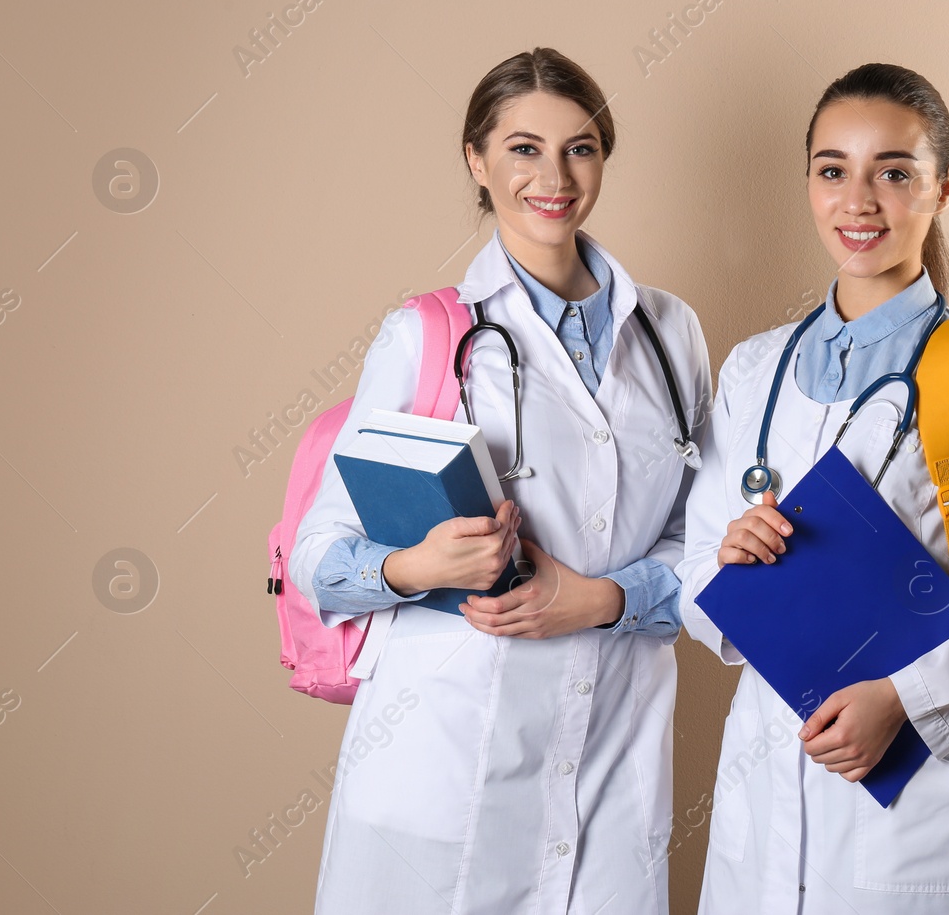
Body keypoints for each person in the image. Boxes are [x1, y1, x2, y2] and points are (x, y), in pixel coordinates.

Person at [677, 63, 949, 914]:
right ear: (808, 182)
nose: (859, 199)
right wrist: (730, 561)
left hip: (916, 812)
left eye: (895, 172)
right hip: (760, 808)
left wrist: (903, 699)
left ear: (943, 186)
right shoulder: (755, 368)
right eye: (833, 169)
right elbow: (693, 586)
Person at [292, 47, 710, 915]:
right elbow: (319, 555)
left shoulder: (672, 334)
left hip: (610, 764)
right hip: (443, 766)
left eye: (580, 147)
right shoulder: (427, 335)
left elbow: (707, 553)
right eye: (523, 148)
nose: (552, 176)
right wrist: (421, 565)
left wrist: (598, 597)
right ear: (477, 161)